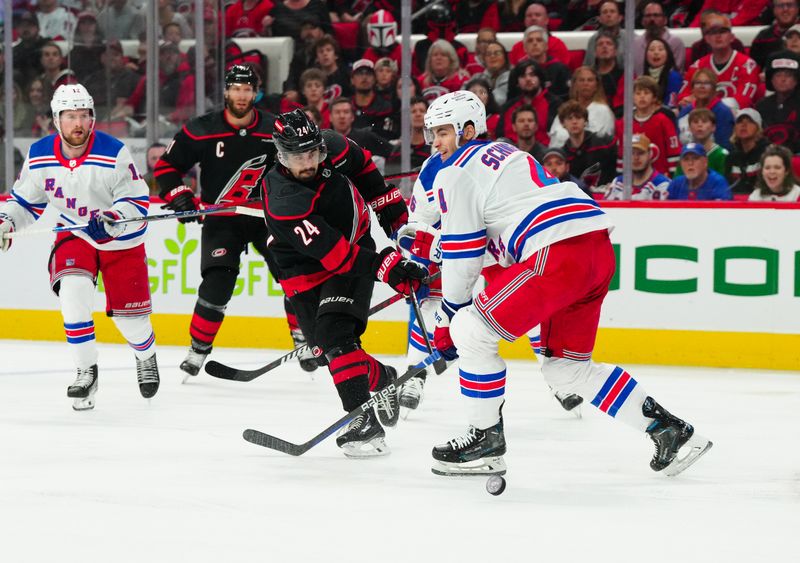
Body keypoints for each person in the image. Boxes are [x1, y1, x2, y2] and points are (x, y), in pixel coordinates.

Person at [402, 90, 711, 477]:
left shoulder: (455, 171)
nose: (435, 143)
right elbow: (491, 247)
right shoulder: (506, 154)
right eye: (432, 133)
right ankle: (669, 431)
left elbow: (465, 255)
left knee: (470, 330)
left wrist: (447, 317)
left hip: (557, 252)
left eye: (444, 132)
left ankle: (485, 441)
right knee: (565, 369)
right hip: (593, 250)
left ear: (468, 129)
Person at [262, 109, 427, 457]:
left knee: (337, 339)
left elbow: (374, 184)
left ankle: (362, 421)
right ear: (280, 155)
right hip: (303, 269)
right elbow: (334, 255)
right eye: (297, 156)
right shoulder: (284, 199)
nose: (307, 162)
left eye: (312, 152)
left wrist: (405, 236)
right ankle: (383, 378)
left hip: (354, 247)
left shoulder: (335, 146)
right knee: (325, 352)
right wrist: (388, 269)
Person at [0, 84, 160, 411]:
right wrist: (7, 222)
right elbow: (25, 202)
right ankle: (86, 370)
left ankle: (146, 355)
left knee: (132, 322)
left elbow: (136, 199)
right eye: (70, 116)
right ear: (57, 121)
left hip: (121, 239)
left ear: (93, 119)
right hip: (75, 232)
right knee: (73, 297)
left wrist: (115, 216)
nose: (78, 123)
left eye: (84, 116)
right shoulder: (40, 154)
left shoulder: (114, 151)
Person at [154, 65, 315, 376]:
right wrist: (178, 193)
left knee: (293, 276)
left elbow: (301, 164)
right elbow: (166, 167)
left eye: (248, 88)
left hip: (267, 217)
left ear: (256, 92)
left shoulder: (274, 128)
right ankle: (198, 348)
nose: (242, 94)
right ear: (226, 91)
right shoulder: (202, 128)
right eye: (236, 88)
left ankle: (303, 338)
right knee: (217, 283)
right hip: (221, 219)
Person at [678, 14, 761, 110]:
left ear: (732, 37)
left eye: (723, 31)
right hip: (701, 118)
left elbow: (742, 101)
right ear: (707, 39)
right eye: (713, 32)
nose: (718, 36)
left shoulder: (747, 65)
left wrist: (702, 102)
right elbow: (682, 97)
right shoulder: (697, 66)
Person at [755, 51, 800, 153]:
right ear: (771, 79)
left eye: (788, 75)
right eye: (778, 75)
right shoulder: (761, 106)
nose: (782, 79)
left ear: (796, 79)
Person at [605, 134, 671, 200]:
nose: (635, 158)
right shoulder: (618, 182)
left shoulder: (662, 184)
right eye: (631, 153)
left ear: (650, 154)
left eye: (641, 153)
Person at [675, 108, 730, 178]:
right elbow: (677, 181)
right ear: (689, 128)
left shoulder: (721, 154)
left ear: (713, 127)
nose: (699, 125)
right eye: (695, 122)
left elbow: (723, 184)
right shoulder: (685, 153)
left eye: (704, 122)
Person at [728, 108, 771, 196]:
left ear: (758, 127)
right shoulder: (731, 157)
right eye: (739, 122)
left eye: (750, 121)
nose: (744, 125)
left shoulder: (768, 153)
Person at [667, 143, 732, 200]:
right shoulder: (676, 184)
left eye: (695, 158)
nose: (690, 163)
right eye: (686, 159)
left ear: (705, 161)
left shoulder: (717, 183)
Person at [749, 0, 799, 70]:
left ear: (797, 8)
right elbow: (753, 68)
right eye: (780, 6)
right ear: (774, 9)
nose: (785, 9)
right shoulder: (763, 37)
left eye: (790, 5)